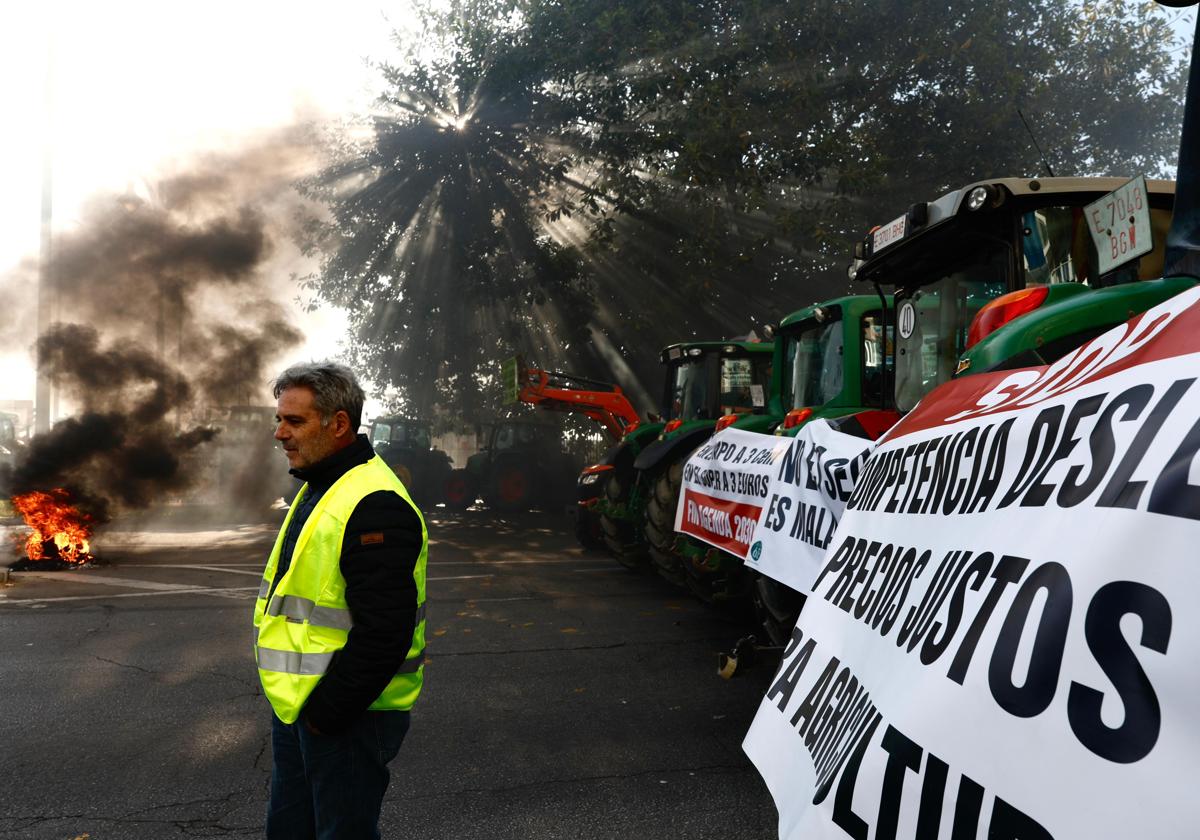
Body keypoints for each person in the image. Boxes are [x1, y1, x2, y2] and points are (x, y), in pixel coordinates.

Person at [254, 361, 427, 839]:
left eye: (294, 421)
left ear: (339, 424)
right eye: (279, 419)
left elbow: (385, 630)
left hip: (347, 716)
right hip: (303, 707)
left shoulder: (374, 501)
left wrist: (326, 716)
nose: (279, 433)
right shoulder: (322, 484)